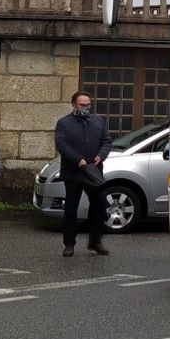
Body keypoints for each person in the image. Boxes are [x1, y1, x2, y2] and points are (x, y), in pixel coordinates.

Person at [54, 91, 113, 257]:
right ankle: (69, 243)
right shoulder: (64, 123)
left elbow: (106, 141)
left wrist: (100, 156)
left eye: (88, 105)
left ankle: (95, 241)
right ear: (74, 104)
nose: (86, 108)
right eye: (82, 105)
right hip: (74, 172)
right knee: (71, 208)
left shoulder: (98, 121)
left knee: (99, 204)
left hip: (93, 172)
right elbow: (62, 144)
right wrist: (77, 159)